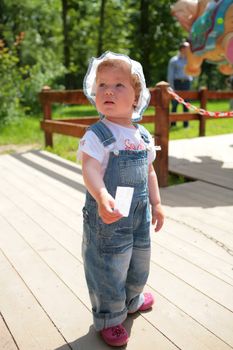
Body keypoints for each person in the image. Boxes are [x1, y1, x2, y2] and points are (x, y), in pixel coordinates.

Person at [77, 51, 164, 347]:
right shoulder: (98, 133)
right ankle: (110, 317)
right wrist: (101, 196)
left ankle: (133, 297)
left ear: (137, 97)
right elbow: (89, 167)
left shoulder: (142, 134)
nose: (108, 91)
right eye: (101, 85)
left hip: (139, 215)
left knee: (139, 260)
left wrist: (157, 203)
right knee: (109, 266)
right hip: (108, 217)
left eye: (118, 85)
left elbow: (149, 171)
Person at [167, 42, 193, 127]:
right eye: (186, 48)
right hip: (177, 82)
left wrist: (191, 80)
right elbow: (170, 74)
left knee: (186, 103)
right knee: (175, 103)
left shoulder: (189, 59)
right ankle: (173, 123)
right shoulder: (174, 60)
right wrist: (171, 86)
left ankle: (186, 124)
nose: (188, 50)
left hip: (186, 83)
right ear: (181, 49)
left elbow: (193, 70)